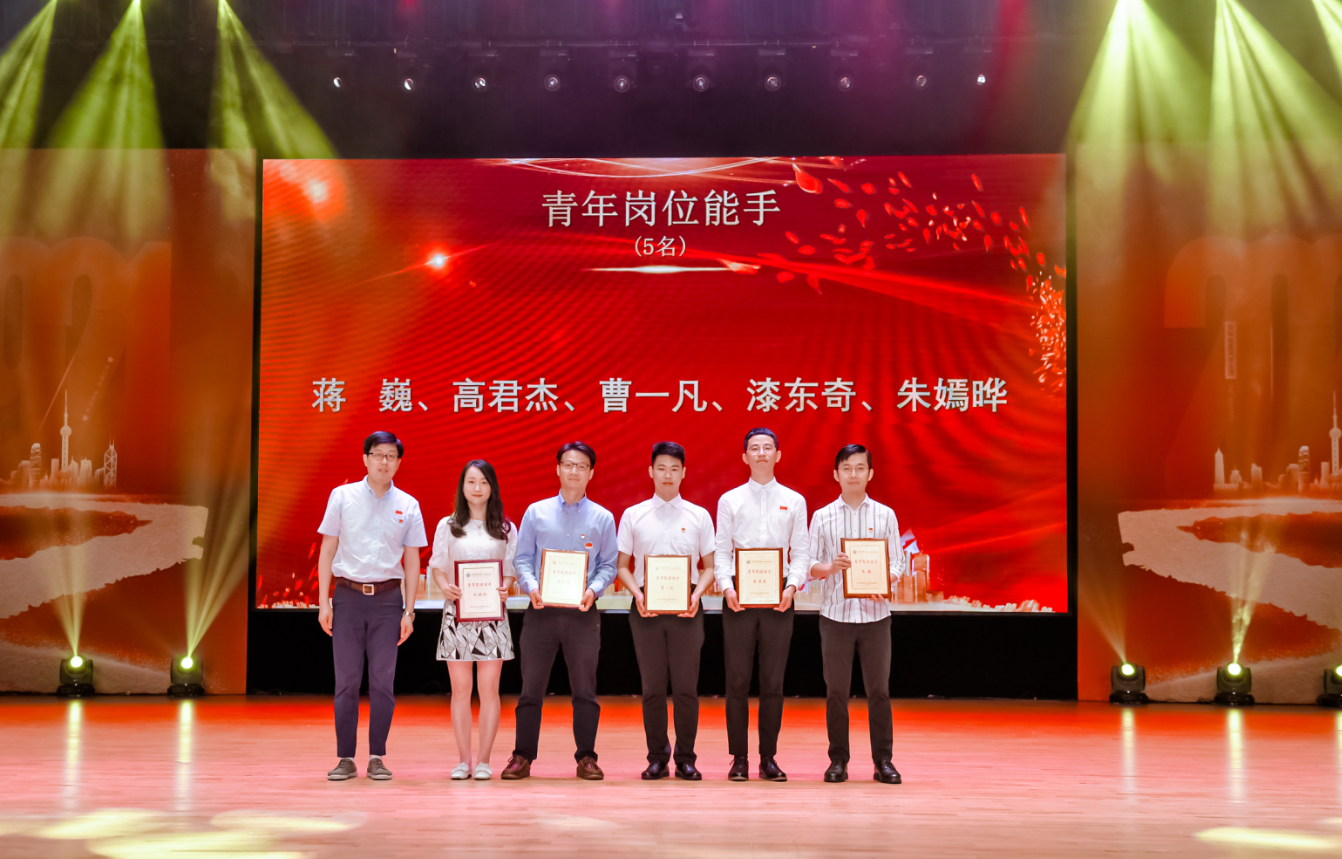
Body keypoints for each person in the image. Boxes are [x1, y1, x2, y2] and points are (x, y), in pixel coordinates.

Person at [501, 441, 618, 781]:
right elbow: (522, 559)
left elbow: (608, 566)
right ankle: (522, 756)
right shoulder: (536, 512)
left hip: (583, 613)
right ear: (558, 469)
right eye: (568, 464)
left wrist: (593, 590)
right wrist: (531, 587)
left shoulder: (603, 518)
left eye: (581, 466)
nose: (574, 471)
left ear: (591, 473)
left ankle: (587, 757)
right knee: (530, 690)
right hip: (541, 611)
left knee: (585, 691)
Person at [317, 431, 428, 781]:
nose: (384, 462)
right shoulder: (342, 496)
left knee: (382, 682)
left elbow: (413, 561)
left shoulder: (408, 504)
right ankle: (345, 758)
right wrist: (323, 603)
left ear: (399, 462)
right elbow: (327, 550)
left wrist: (409, 611)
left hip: (388, 601)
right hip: (347, 597)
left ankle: (377, 755)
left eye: (391, 456)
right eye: (378, 455)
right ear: (365, 458)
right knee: (347, 681)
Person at [615, 441, 717, 781]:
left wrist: (696, 595)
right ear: (651, 471)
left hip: (687, 606)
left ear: (684, 472)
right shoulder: (634, 515)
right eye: (661, 468)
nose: (668, 474)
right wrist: (637, 594)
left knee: (687, 689)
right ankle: (657, 758)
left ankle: (686, 759)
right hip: (646, 607)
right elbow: (622, 566)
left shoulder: (699, 516)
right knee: (653, 689)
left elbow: (710, 567)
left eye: (674, 468)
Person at [713, 427, 809, 782]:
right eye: (754, 448)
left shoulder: (794, 501)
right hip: (738, 596)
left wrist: (792, 586)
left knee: (773, 683)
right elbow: (722, 551)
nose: (762, 453)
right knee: (736, 682)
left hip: (779, 597)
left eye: (768, 447)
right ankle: (738, 758)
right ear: (745, 457)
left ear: (778, 455)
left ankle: (768, 757)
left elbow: (801, 553)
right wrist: (727, 587)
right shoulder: (730, 500)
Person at [808, 443, 903, 785]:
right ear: (836, 474)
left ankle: (883, 761)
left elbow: (897, 563)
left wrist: (884, 581)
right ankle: (838, 760)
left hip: (876, 616)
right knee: (836, 693)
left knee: (879, 692)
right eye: (846, 468)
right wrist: (830, 567)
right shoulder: (822, 517)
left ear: (870, 473)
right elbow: (809, 565)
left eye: (860, 468)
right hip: (835, 617)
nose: (853, 474)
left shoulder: (885, 515)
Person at [428, 459, 517, 780]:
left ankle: (484, 761)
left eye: (483, 482)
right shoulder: (448, 525)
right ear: (462, 487)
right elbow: (438, 566)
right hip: (458, 614)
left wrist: (505, 587)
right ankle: (463, 761)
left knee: (489, 690)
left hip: (492, 617)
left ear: (492, 487)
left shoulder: (506, 528)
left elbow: (510, 570)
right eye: (471, 482)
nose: (477, 488)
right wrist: (444, 586)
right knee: (460, 691)